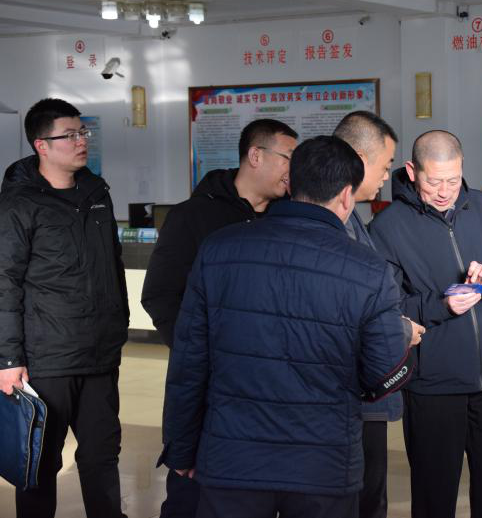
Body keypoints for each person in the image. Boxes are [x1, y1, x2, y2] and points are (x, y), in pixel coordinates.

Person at [161, 136, 424, 518]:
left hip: (233, 459)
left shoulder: (219, 249)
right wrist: (402, 345)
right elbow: (382, 374)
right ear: (346, 196)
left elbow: (188, 364)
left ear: (292, 183)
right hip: (323, 465)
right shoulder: (367, 268)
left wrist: (182, 448)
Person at [368, 130, 482, 518]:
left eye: (453, 181)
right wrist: (441, 305)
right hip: (432, 387)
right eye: (434, 181)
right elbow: (384, 308)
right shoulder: (387, 226)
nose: (445, 192)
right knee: (434, 497)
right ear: (412, 171)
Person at [142, 118, 298, 518]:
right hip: (208, 387)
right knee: (193, 493)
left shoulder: (288, 219)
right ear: (255, 155)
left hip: (272, 388)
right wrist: (197, 351)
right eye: (288, 157)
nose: (293, 169)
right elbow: (160, 295)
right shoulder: (193, 217)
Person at [0, 98, 129, 518]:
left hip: (99, 354)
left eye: (82, 132)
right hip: (47, 358)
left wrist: (119, 326)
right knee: (40, 463)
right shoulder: (19, 204)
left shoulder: (97, 192)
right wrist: (8, 359)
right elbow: (4, 282)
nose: (81, 141)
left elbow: (112, 265)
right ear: (42, 145)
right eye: (69, 135)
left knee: (102, 457)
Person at [333, 110, 399, 518]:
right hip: (345, 395)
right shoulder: (329, 229)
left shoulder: (352, 216)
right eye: (385, 166)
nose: (386, 177)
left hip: (365, 395)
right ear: (359, 160)